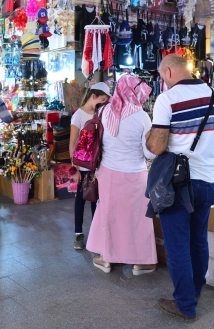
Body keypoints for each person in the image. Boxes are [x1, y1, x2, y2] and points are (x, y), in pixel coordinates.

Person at [146, 54, 214, 322]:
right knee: (198, 241)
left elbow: (157, 147)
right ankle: (194, 291)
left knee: (177, 246)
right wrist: (203, 150)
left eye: (162, 77)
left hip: (178, 185)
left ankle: (185, 305)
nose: (163, 81)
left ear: (169, 72)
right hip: (207, 182)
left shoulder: (167, 100)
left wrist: (154, 140)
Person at [86, 74, 158, 276]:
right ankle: (140, 262)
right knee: (138, 218)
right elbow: (149, 152)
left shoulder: (104, 111)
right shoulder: (142, 116)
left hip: (107, 174)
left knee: (109, 215)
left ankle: (107, 259)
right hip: (135, 174)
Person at [68, 82, 110, 250]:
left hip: (99, 166)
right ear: (93, 96)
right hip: (83, 166)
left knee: (96, 201)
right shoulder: (78, 115)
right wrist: (74, 169)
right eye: (102, 100)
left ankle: (95, 234)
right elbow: (72, 144)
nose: (103, 104)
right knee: (80, 200)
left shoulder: (103, 114)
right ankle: (78, 233)